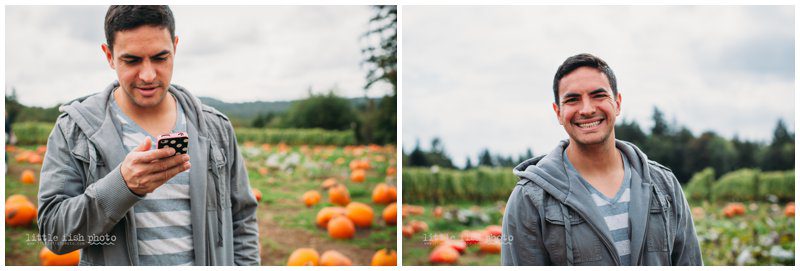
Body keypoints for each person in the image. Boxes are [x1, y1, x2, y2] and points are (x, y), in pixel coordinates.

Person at [37, 5, 260, 266]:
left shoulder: (216, 128)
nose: (148, 75)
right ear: (109, 55)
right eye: (131, 60)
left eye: (160, 57)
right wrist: (122, 187)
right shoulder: (73, 130)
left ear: (175, 48)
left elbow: (243, 220)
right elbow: (54, 233)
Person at [501, 53, 702, 266]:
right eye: (572, 99)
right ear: (558, 112)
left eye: (598, 95)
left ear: (617, 103)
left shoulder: (664, 186)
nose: (587, 109)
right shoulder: (529, 199)